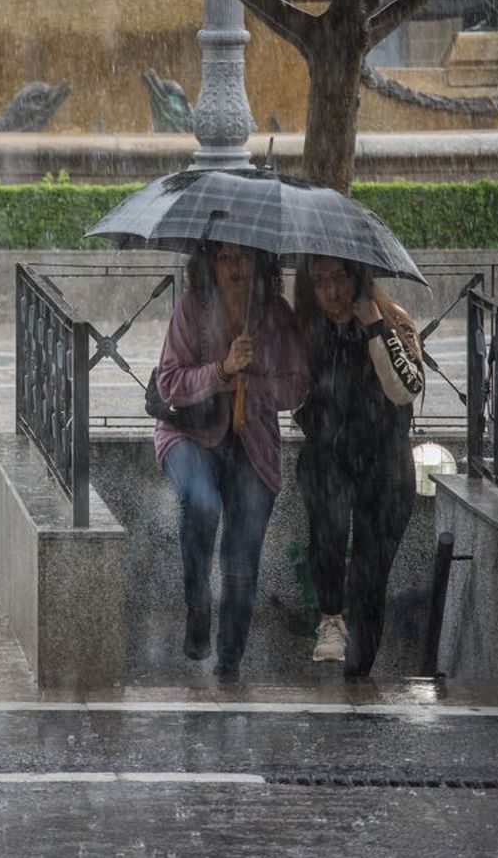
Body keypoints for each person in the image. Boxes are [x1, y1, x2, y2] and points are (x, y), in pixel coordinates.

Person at [155, 242, 308, 682]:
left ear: (261, 263)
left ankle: (229, 663)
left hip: (253, 444)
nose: (236, 266)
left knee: (242, 561)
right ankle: (197, 603)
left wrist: (251, 384)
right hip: (190, 434)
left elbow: (297, 385)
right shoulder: (192, 308)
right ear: (209, 263)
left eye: (245, 256)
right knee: (202, 505)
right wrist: (221, 373)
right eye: (225, 257)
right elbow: (170, 383)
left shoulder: (275, 314)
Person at [293, 256, 425, 678]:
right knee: (328, 535)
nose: (331, 292)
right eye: (320, 281)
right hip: (330, 460)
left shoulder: (394, 321)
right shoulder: (309, 330)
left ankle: (358, 677)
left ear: (359, 277)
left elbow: (406, 391)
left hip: (385, 465)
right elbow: (292, 398)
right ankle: (330, 618)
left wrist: (374, 328)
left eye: (340, 278)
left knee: (370, 576)